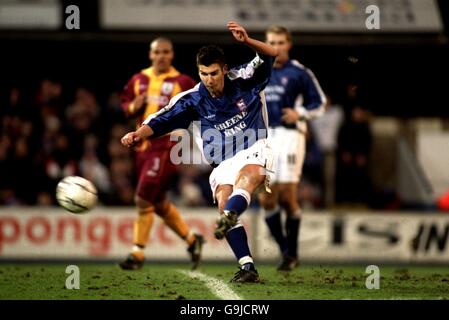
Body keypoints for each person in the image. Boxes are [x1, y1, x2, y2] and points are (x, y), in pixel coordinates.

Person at [121, 21, 278, 283]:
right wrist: (138, 134)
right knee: (224, 198)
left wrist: (248, 41)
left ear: (224, 69)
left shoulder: (244, 78)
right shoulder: (192, 99)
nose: (208, 79)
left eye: (214, 73)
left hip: (254, 146)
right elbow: (161, 119)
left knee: (248, 178)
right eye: (203, 73)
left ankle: (231, 214)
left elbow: (271, 54)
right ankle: (247, 265)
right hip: (222, 161)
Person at [119, 37, 204, 270]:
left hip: (167, 147)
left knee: (142, 197)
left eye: (166, 52)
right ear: (151, 55)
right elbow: (125, 106)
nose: (161, 56)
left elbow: (198, 108)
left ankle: (137, 253)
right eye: (157, 52)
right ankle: (192, 240)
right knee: (156, 202)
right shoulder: (138, 80)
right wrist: (133, 107)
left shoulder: (183, 81)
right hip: (141, 149)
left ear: (172, 54)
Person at [258, 25, 326, 271]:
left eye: (279, 42)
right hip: (264, 139)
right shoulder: (258, 72)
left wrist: (300, 113)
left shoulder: (299, 73)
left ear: (288, 45)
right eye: (271, 42)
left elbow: (320, 104)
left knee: (287, 196)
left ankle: (291, 252)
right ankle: (287, 252)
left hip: (289, 136)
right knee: (266, 198)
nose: (275, 47)